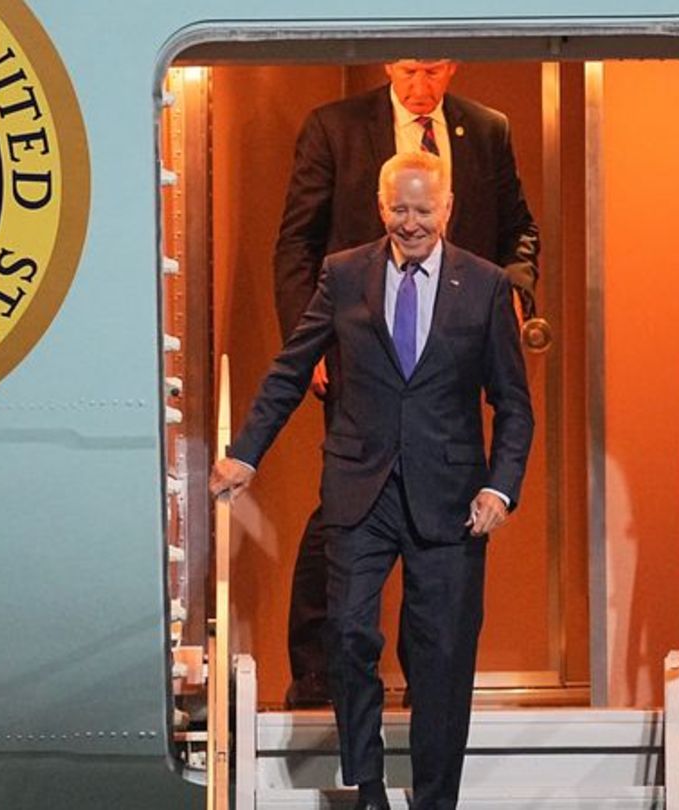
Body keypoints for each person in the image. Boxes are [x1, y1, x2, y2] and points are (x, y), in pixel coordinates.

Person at [213, 152, 533, 810]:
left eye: (422, 210)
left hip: (452, 501)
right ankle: (367, 785)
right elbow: (290, 369)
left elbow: (514, 404)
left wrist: (500, 488)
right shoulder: (343, 273)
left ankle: (435, 799)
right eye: (398, 209)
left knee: (441, 656)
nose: (410, 223)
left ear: (446, 209)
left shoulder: (487, 286)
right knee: (350, 635)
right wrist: (247, 453)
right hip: (360, 490)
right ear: (381, 206)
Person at [274, 60, 540, 708]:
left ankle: (433, 681)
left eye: (437, 67)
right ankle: (319, 671)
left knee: (441, 504)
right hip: (359, 356)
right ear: (392, 66)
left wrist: (515, 292)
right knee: (347, 503)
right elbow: (296, 245)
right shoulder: (335, 127)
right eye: (412, 67)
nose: (424, 80)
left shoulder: (487, 128)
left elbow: (520, 231)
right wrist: (306, 344)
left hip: (450, 352)